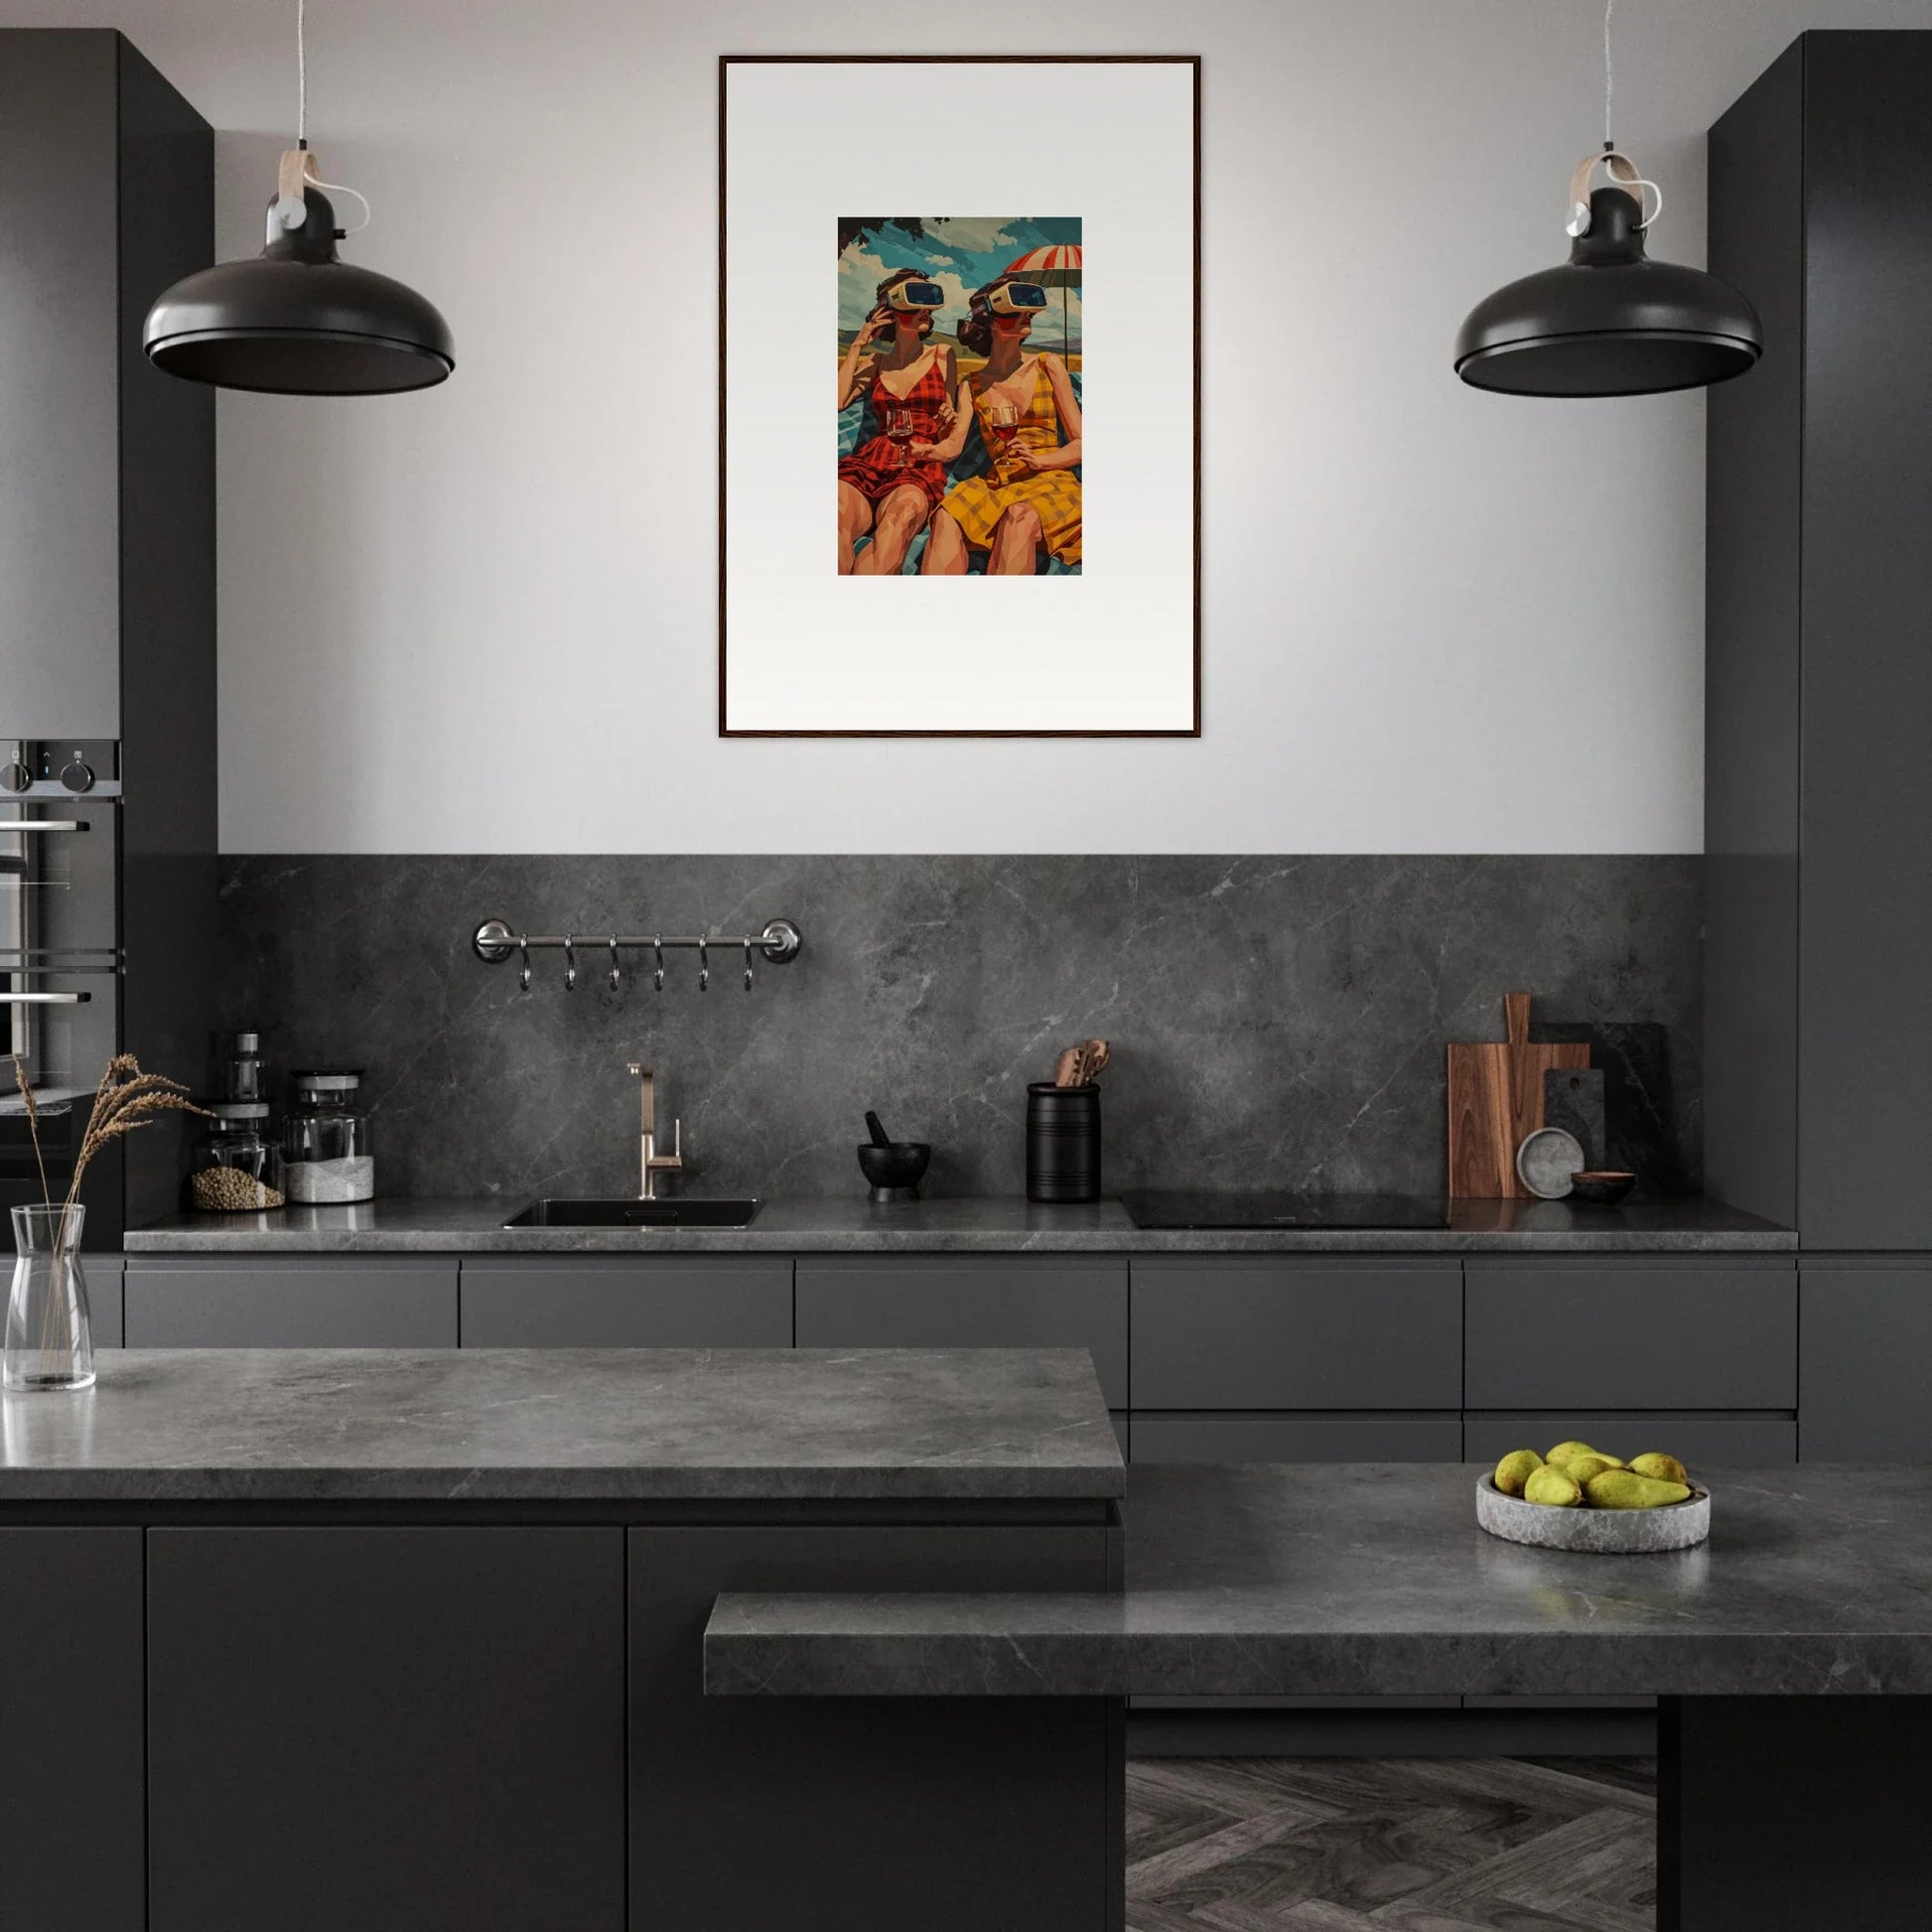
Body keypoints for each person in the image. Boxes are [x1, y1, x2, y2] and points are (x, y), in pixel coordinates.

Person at [921, 275, 1081, 576]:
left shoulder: (1048, 364)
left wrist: (1039, 460)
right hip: (997, 483)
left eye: (1029, 312)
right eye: (1015, 311)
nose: (1026, 316)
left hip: (1050, 480)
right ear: (992, 322)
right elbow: (954, 444)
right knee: (945, 516)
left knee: (1018, 517)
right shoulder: (972, 383)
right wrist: (925, 449)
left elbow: (1082, 444)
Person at [837, 269, 965, 576]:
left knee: (900, 519)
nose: (925, 309)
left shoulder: (942, 355)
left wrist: (949, 418)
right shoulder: (877, 362)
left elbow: (947, 426)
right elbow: (837, 401)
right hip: (871, 460)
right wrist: (858, 345)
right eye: (914, 300)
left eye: (928, 301)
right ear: (891, 310)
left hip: (918, 462)